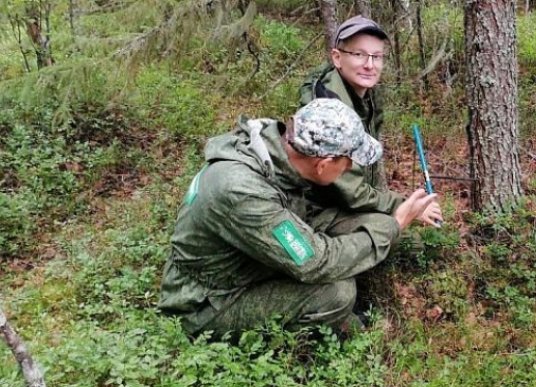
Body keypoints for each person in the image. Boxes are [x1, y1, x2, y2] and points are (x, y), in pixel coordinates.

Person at [158, 98, 441, 339]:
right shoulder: (241, 191)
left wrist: (387, 224)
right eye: (349, 162)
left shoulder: (276, 147)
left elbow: (307, 218)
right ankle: (303, 348)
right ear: (324, 164)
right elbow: (315, 263)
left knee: (373, 224)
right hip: (209, 301)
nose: (351, 168)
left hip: (249, 259)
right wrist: (394, 226)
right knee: (337, 293)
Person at [299, 15, 393, 195]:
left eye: (377, 56)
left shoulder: (369, 96)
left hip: (352, 197)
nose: (370, 65)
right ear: (337, 58)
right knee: (385, 223)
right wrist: (403, 205)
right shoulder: (326, 107)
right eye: (359, 54)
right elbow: (350, 191)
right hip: (321, 206)